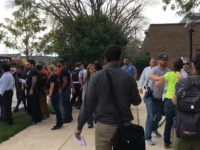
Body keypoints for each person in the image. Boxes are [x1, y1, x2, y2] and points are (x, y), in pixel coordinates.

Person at [74, 45, 141, 150]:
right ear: (120, 58)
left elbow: (87, 104)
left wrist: (79, 127)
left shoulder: (96, 77)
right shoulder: (128, 77)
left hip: (104, 127)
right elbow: (137, 101)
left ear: (105, 59)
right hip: (124, 125)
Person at [155, 59, 183, 149]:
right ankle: (177, 141)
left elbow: (157, 84)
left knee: (168, 122)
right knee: (178, 122)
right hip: (178, 100)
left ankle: (166, 142)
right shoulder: (181, 76)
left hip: (168, 100)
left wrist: (156, 79)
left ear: (173, 66)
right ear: (181, 67)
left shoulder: (168, 74)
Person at [146, 53, 170, 145]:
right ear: (159, 60)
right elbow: (150, 76)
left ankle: (154, 129)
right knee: (150, 116)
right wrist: (161, 78)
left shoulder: (167, 71)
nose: (165, 61)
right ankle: (147, 137)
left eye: (166, 60)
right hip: (150, 97)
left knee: (159, 116)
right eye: (163, 60)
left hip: (159, 98)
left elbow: (173, 75)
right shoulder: (155, 69)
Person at [47, 65, 63, 130]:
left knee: (56, 109)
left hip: (54, 94)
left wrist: (49, 95)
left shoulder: (52, 77)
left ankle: (58, 124)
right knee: (58, 109)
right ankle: (60, 122)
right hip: (57, 93)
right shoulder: (57, 76)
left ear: (50, 69)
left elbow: (52, 86)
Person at [26, 60, 42, 124]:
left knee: (34, 105)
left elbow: (34, 80)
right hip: (34, 90)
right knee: (36, 105)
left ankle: (34, 119)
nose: (27, 65)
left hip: (34, 90)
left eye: (28, 64)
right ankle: (38, 118)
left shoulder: (34, 71)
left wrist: (32, 89)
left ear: (32, 64)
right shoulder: (32, 71)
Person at [82, 63, 97, 128]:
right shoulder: (86, 78)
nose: (93, 70)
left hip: (96, 97)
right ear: (88, 70)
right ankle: (90, 123)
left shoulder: (98, 77)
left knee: (96, 111)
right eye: (91, 68)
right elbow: (84, 89)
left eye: (94, 68)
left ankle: (97, 121)